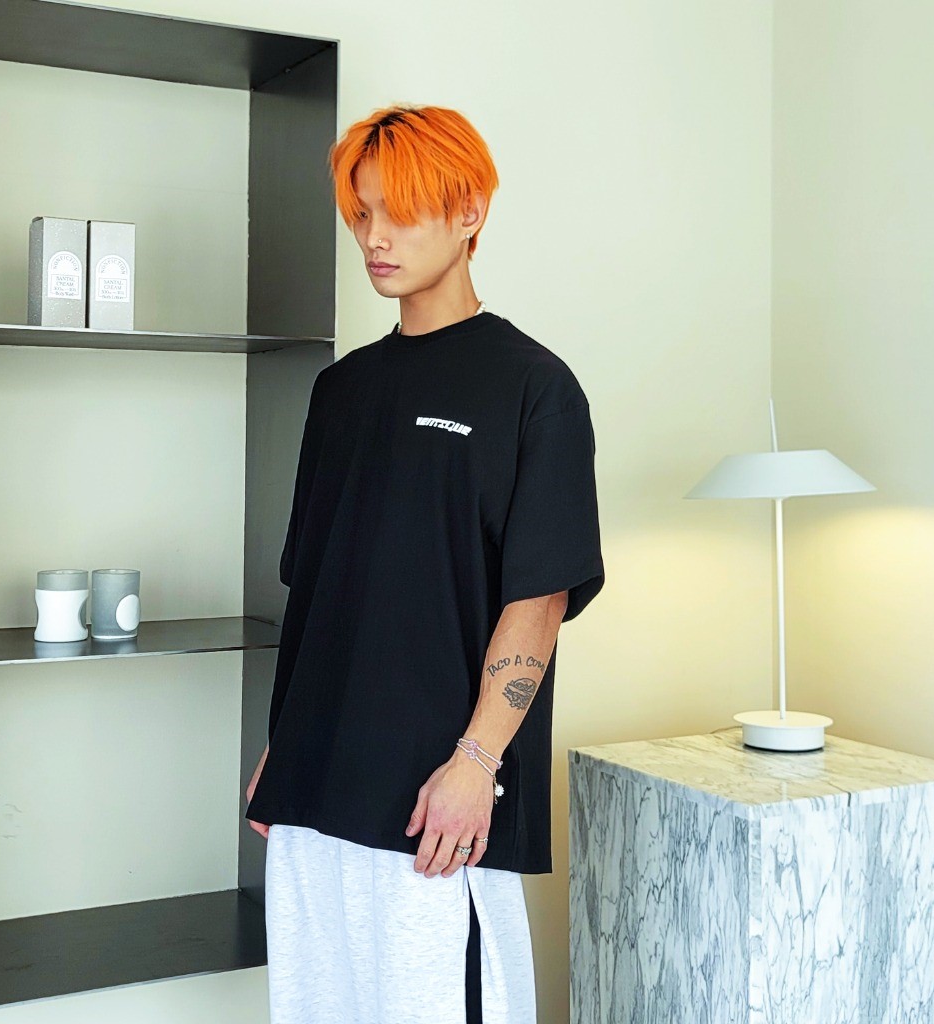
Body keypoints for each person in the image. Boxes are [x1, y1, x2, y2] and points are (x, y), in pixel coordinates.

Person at [244, 104, 604, 1024]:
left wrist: (476, 762)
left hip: (434, 808)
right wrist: (283, 750)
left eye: (399, 213)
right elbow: (321, 592)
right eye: (362, 213)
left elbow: (539, 599)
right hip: (315, 792)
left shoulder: (536, 389)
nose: (374, 237)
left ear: (470, 211)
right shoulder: (338, 391)